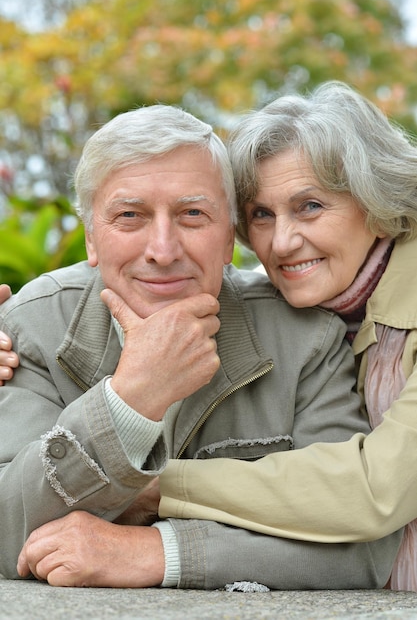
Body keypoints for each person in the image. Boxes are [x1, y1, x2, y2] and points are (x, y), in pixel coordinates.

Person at [0, 102, 399, 589]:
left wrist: (161, 552)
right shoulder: (32, 326)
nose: (163, 251)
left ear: (229, 239)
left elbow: (361, 552)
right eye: (130, 216)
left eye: (193, 214)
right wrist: (129, 400)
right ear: (90, 238)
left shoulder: (305, 336)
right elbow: (6, 527)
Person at [122, 81, 417, 592]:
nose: (281, 242)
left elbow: (376, 491)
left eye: (309, 207)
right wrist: (20, 324)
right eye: (261, 214)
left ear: (375, 201)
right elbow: (148, 270)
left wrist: (154, 487)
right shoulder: (308, 307)